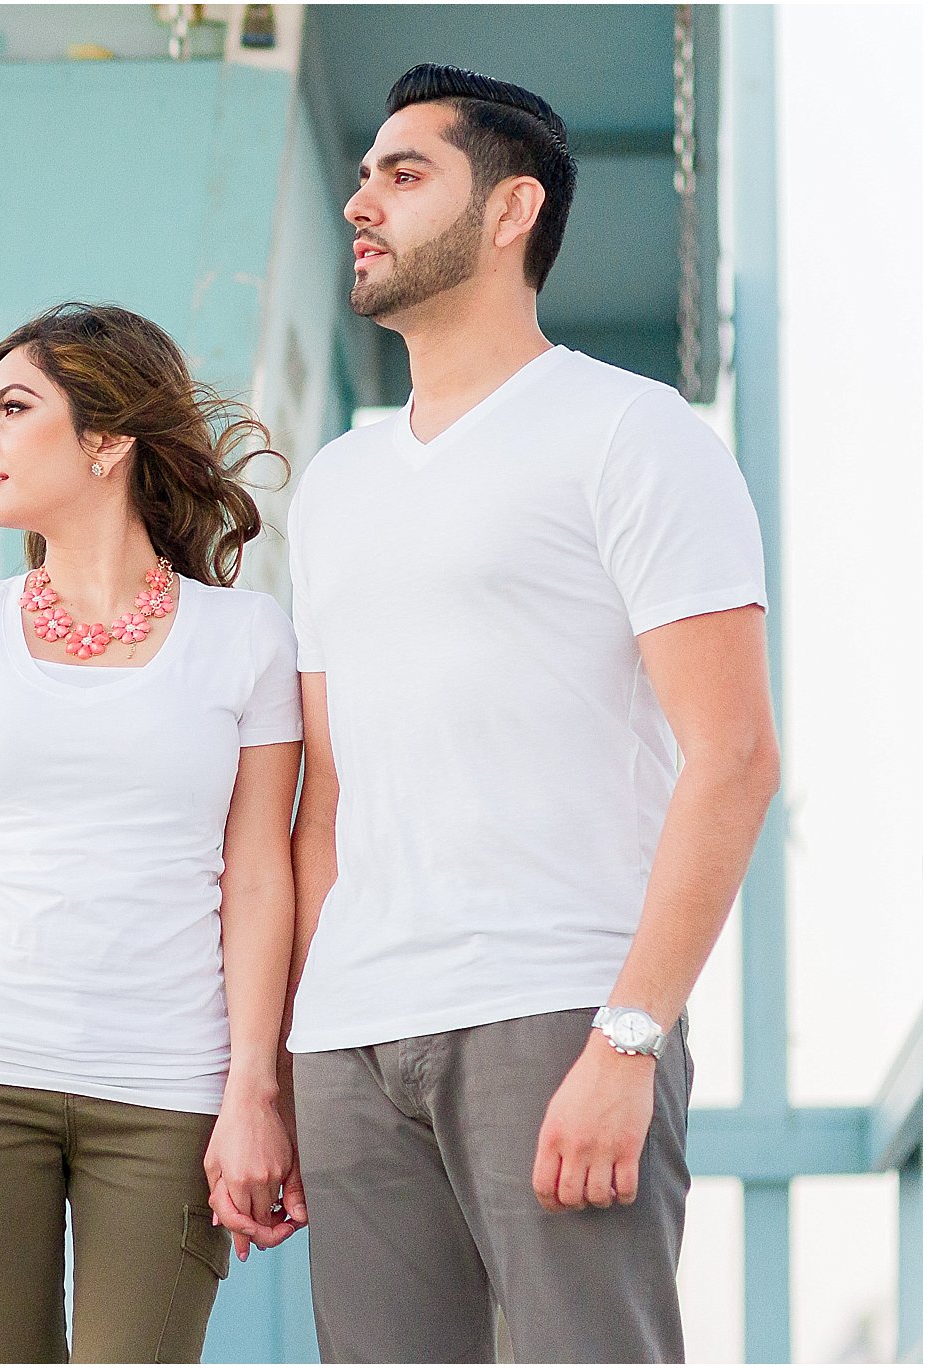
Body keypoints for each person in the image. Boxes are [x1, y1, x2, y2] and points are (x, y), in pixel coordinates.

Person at [283, 64, 780, 1363]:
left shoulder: (632, 433)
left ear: (510, 213)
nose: (360, 203)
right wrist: (291, 1049)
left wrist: (631, 1037)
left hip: (556, 1010)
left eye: (403, 175)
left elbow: (732, 756)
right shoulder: (333, 488)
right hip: (351, 1040)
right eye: (362, 176)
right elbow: (325, 801)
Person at [0, 302, 305, 1363]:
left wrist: (254, 1092)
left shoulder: (246, 639)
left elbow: (258, 879)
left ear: (106, 440)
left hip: (167, 1093)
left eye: (11, 407)